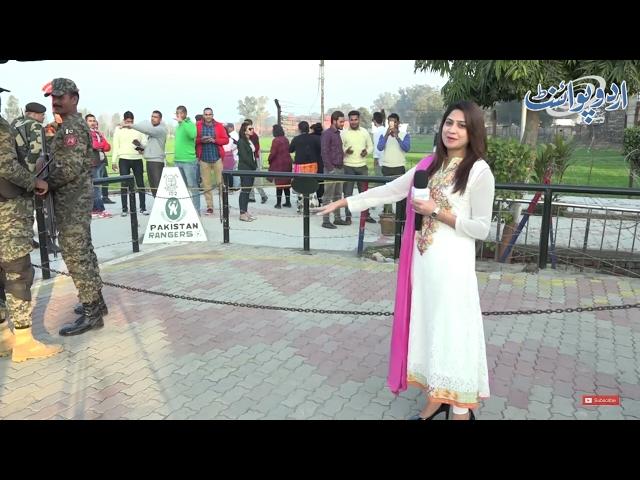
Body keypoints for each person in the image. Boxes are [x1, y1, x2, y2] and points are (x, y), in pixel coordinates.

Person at [316, 100, 495, 420]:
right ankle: (436, 398)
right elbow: (391, 190)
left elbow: (481, 228)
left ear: (473, 131)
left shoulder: (479, 171)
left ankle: (459, 408)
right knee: (429, 331)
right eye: (449, 123)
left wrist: (437, 212)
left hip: (453, 269)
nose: (452, 130)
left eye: (461, 125)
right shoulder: (430, 164)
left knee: (453, 332)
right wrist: (344, 200)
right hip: (424, 267)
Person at [0, 87, 63, 361]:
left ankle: (3, 336)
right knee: (17, 272)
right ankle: (24, 341)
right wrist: (34, 181)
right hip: (7, 206)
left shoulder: (12, 123)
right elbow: (6, 166)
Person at [42, 78, 108, 337]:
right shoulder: (68, 125)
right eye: (53, 98)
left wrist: (44, 182)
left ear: (74, 99)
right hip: (74, 199)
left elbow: (68, 168)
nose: (56, 101)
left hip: (72, 200)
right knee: (84, 251)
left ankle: (92, 312)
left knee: (76, 254)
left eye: (61, 97)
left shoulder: (71, 128)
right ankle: (96, 303)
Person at [112, 111, 148, 216]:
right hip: (123, 159)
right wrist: (114, 161)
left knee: (140, 183)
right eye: (127, 122)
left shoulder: (138, 129)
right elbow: (116, 145)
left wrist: (141, 146)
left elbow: (145, 142)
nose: (129, 124)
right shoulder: (118, 129)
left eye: (131, 122)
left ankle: (143, 207)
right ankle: (124, 209)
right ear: (124, 120)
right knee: (124, 184)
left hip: (137, 159)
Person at [126, 110, 167, 198]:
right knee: (153, 188)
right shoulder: (153, 131)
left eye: (155, 117)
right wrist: (140, 146)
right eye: (152, 116)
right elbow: (151, 146)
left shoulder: (160, 129)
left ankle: (161, 208)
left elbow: (147, 130)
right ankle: (158, 207)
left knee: (158, 188)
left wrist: (131, 125)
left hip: (156, 162)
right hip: (149, 161)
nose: (153, 118)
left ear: (160, 119)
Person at [196, 107, 229, 215]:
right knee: (206, 184)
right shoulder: (198, 126)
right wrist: (202, 140)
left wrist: (215, 140)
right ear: (203, 115)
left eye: (210, 114)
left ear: (212, 115)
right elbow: (193, 140)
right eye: (206, 114)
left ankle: (225, 205)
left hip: (217, 158)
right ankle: (209, 206)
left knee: (221, 183)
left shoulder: (219, 126)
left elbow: (226, 140)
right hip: (204, 159)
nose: (208, 116)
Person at [290, 121, 321, 212]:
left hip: (299, 165)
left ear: (299, 129)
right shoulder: (314, 139)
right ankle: (312, 207)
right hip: (312, 165)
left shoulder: (296, 139)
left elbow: (290, 149)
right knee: (311, 185)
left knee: (300, 185)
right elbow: (320, 150)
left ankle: (301, 207)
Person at [267, 124, 292, 208]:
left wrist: (269, 159)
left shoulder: (276, 140)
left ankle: (278, 203)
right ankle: (288, 202)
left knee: (279, 184)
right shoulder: (286, 139)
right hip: (287, 163)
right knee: (286, 184)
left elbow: (273, 153)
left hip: (279, 164)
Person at [237, 121, 258, 222]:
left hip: (251, 168)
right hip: (245, 168)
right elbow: (244, 157)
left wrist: (254, 166)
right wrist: (253, 166)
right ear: (244, 131)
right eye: (249, 129)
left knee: (247, 191)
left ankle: (245, 211)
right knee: (244, 191)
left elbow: (253, 155)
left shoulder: (249, 140)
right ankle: (242, 213)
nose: (252, 130)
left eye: (252, 128)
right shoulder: (241, 141)